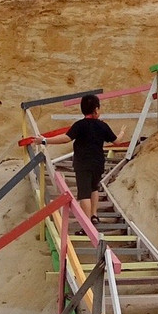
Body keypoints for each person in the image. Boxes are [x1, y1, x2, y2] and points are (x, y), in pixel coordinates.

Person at [34, 94, 124, 229]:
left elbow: (66, 138)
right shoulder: (103, 125)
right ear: (96, 109)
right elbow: (117, 141)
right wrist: (122, 133)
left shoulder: (79, 125)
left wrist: (45, 140)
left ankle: (86, 226)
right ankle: (94, 216)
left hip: (83, 163)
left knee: (84, 193)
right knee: (94, 188)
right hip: (98, 163)